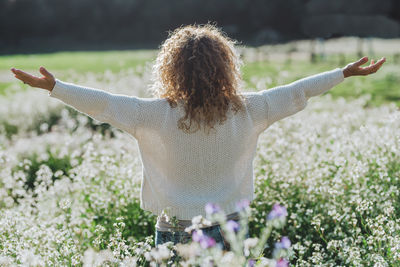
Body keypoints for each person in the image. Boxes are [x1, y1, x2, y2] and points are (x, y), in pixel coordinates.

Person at [10, 24, 385, 252]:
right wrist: (342, 73)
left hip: (174, 232)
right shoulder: (248, 108)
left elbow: (104, 104)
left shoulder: (153, 114)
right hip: (231, 228)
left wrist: (56, 87)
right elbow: (295, 92)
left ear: (170, 70)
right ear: (225, 67)